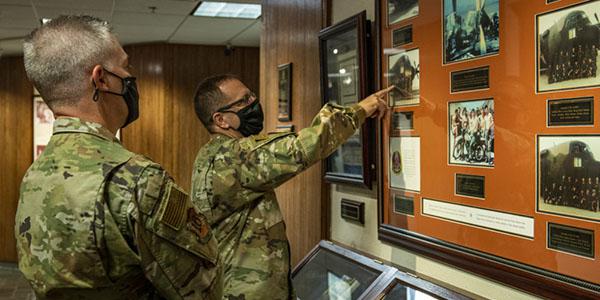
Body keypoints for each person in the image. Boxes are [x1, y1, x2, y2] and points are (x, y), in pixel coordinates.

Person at [15, 15, 221, 299]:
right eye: (125, 66)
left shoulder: (34, 175)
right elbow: (201, 287)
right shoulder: (137, 179)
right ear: (101, 78)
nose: (130, 76)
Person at [190, 74, 392, 299]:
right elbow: (303, 147)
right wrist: (361, 109)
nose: (254, 102)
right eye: (244, 100)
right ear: (221, 120)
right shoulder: (229, 159)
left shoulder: (212, 155)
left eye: (252, 95)